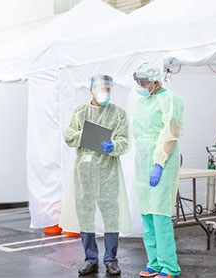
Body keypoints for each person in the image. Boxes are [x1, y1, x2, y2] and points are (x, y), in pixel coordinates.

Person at [63, 74, 131, 276]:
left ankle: (111, 260)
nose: (105, 93)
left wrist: (113, 146)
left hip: (108, 171)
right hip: (84, 173)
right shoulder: (80, 112)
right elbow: (68, 135)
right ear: (91, 90)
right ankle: (90, 259)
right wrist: (87, 136)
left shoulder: (118, 114)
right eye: (101, 88)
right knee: (85, 215)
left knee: (111, 216)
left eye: (108, 89)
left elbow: (124, 141)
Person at [132, 62, 183, 278]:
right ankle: (154, 262)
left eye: (144, 81)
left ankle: (169, 266)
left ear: (155, 80)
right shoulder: (143, 102)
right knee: (146, 213)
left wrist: (159, 162)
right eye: (139, 82)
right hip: (142, 160)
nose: (141, 85)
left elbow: (171, 132)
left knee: (160, 214)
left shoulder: (170, 99)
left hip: (161, 158)